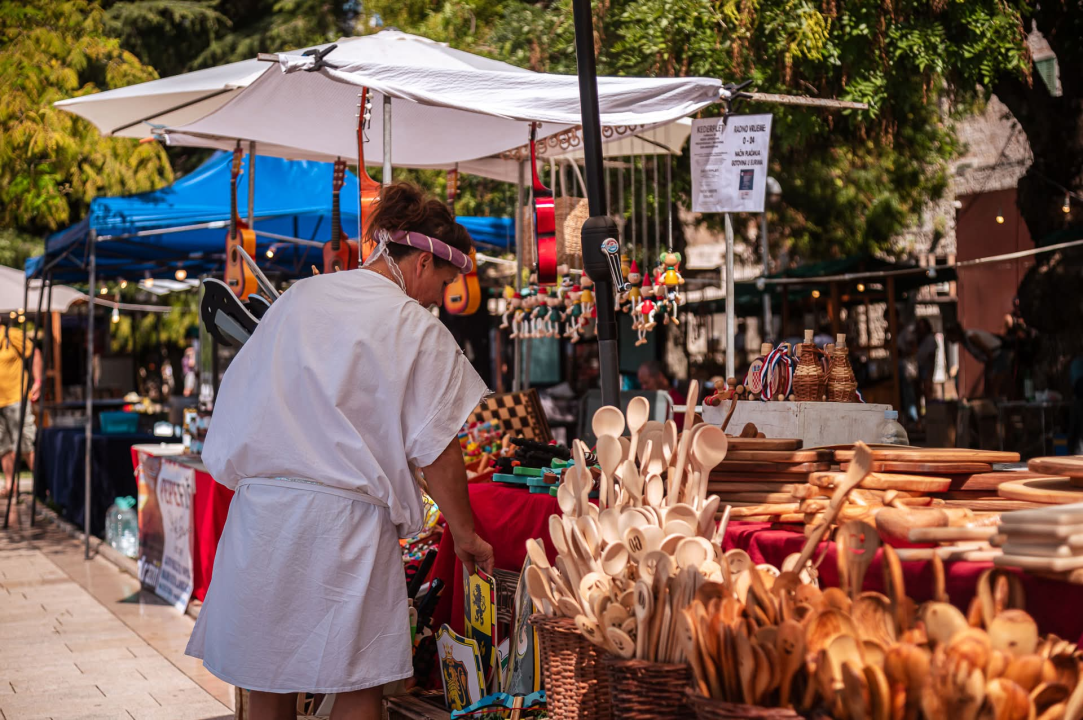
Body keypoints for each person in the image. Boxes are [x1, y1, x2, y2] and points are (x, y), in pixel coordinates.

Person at [186, 183, 494, 720]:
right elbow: (439, 449)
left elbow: (239, 401)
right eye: (444, 283)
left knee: (270, 681)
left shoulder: (299, 298)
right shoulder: (414, 325)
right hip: (343, 527)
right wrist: (465, 534)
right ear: (423, 261)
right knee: (357, 683)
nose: (437, 298)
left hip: (264, 517)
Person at [0, 323, 41, 498]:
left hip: (16, 399)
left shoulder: (11, 335)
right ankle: (10, 485)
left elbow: (35, 353)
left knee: (25, 442)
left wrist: (37, 381)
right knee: (3, 445)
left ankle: (42, 485)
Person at [637, 360, 687, 429]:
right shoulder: (645, 400)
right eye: (641, 384)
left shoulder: (676, 400)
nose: (643, 387)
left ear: (659, 376)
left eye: (646, 383)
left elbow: (677, 430)